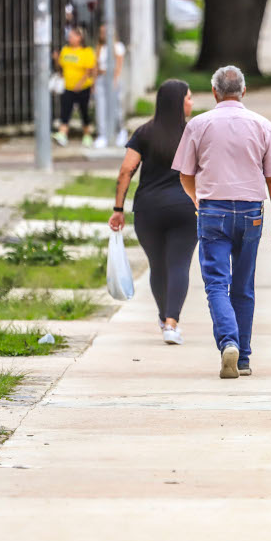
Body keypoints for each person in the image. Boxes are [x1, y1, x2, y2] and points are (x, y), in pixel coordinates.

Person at [172, 66, 271, 379]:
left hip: (212, 210)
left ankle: (229, 343)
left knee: (215, 284)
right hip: (251, 212)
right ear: (244, 91)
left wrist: (199, 201)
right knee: (243, 284)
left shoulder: (199, 125)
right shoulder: (263, 125)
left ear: (214, 92)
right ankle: (244, 357)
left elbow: (185, 174)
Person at [109, 80, 197, 346]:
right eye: (189, 98)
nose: (192, 103)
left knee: (158, 266)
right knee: (179, 264)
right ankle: (172, 323)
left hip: (149, 209)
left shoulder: (144, 132)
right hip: (185, 208)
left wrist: (118, 209)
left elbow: (126, 170)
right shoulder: (193, 132)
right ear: (179, 102)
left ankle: (163, 318)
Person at [53, 27, 96, 148]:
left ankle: (87, 135)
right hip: (68, 86)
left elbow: (89, 70)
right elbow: (60, 67)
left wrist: (80, 84)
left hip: (83, 87)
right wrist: (56, 59)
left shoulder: (86, 51)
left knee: (84, 111)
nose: (69, 38)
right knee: (65, 111)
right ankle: (62, 134)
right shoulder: (65, 50)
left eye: (72, 36)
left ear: (80, 38)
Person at [94, 25, 128, 148]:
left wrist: (114, 80)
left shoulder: (118, 47)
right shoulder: (99, 47)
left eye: (105, 32)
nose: (103, 34)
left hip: (113, 78)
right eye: (101, 32)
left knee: (116, 107)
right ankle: (102, 135)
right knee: (101, 107)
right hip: (101, 78)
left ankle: (120, 132)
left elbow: (118, 65)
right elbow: (96, 66)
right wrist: (94, 82)